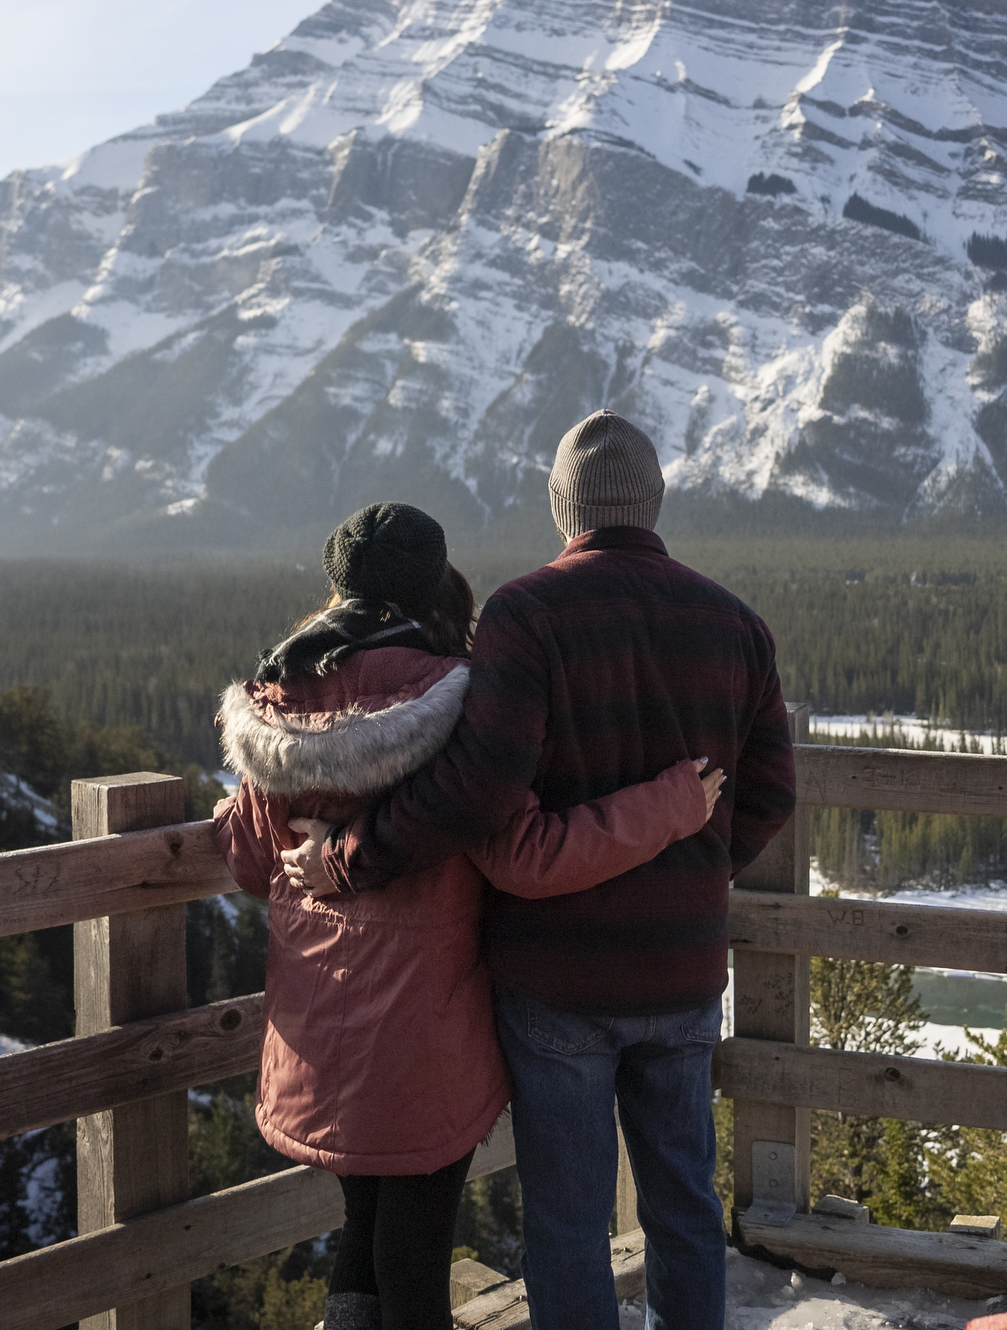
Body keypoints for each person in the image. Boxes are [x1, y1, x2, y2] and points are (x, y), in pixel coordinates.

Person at [282, 413, 797, 1330]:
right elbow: (767, 796)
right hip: (681, 974)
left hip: (556, 979)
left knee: (567, 1215)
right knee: (686, 1205)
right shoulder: (736, 626)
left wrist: (349, 860)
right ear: (656, 501)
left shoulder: (524, 616)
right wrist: (688, 873)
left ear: (564, 505)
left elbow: (474, 792)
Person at [211, 501, 722, 1330]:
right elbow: (527, 855)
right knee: (414, 1253)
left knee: (363, 1227)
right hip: (425, 1036)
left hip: (317, 1031)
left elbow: (242, 855)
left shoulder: (278, 700)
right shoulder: (459, 705)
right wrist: (670, 804)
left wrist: (314, 840)